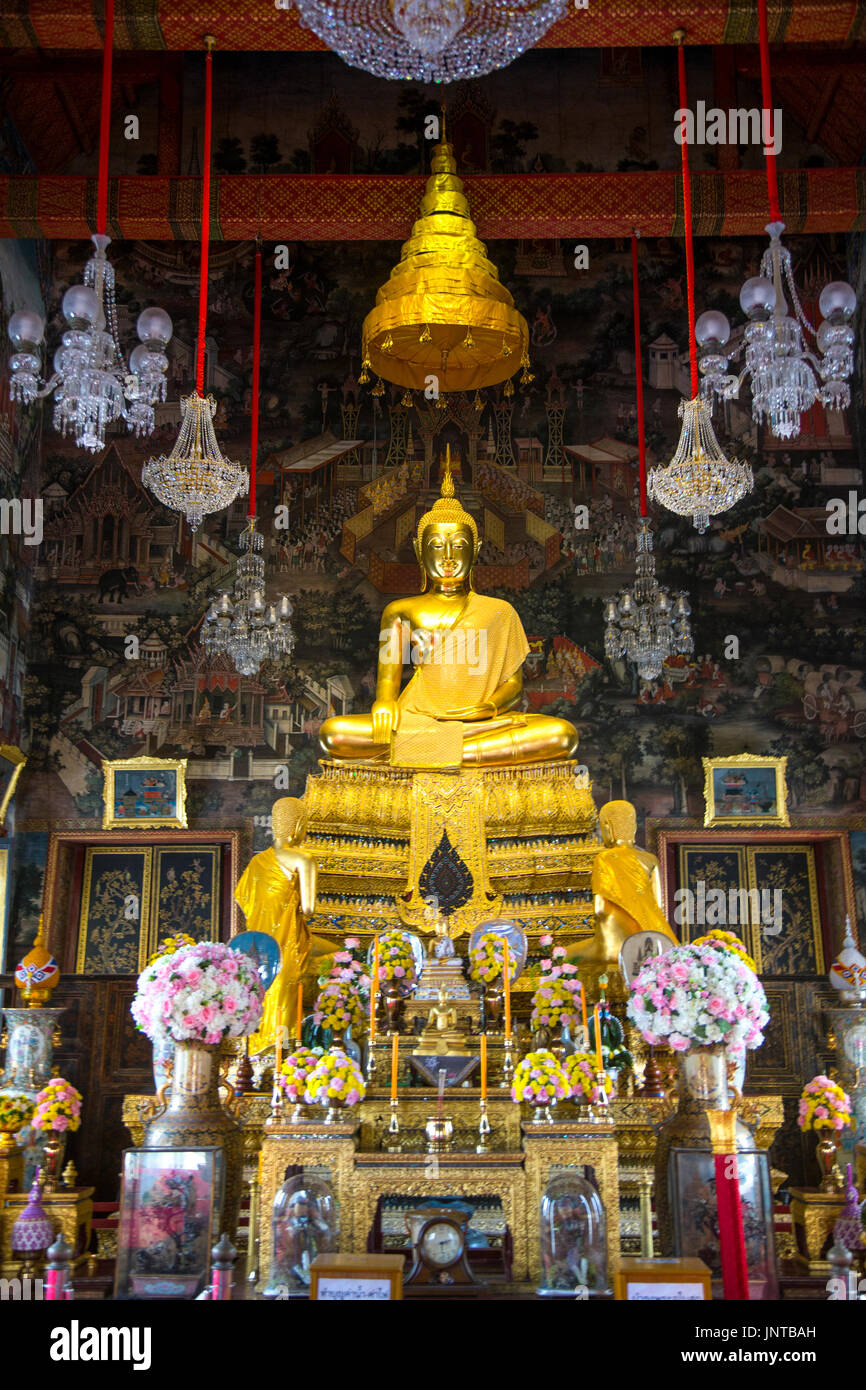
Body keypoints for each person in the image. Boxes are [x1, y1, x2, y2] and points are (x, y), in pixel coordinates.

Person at [318, 449, 578, 767]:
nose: (448, 557)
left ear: (476, 549)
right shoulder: (401, 611)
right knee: (335, 733)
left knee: (559, 734)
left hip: (482, 725)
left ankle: (429, 755)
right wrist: (384, 704)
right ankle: (453, 754)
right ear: (419, 550)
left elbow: (513, 684)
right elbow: (388, 681)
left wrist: (490, 708)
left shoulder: (499, 611)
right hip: (418, 720)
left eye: (459, 545)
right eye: (437, 546)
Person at [236, 797, 337, 1054]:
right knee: (342, 957)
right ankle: (287, 1049)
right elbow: (309, 909)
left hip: (259, 949)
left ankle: (261, 1053)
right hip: (289, 944)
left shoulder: (257, 863)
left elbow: (243, 899)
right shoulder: (303, 859)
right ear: (298, 825)